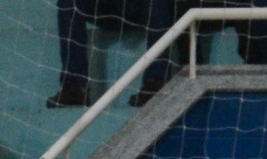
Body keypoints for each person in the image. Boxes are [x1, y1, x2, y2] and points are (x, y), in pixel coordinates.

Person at [46, 0, 177, 109]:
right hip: (106, 8)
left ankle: (155, 83)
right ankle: (74, 88)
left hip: (143, 7)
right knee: (69, 2)